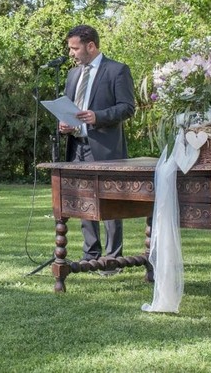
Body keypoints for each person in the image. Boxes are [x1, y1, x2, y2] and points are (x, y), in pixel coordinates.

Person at [58, 25, 135, 272]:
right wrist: (65, 124)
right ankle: (90, 255)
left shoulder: (117, 70)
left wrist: (97, 116)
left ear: (90, 46)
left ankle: (112, 260)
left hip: (105, 149)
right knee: (83, 202)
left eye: (75, 48)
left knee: (110, 204)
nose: (71, 53)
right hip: (77, 147)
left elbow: (127, 107)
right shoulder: (72, 75)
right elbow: (69, 108)